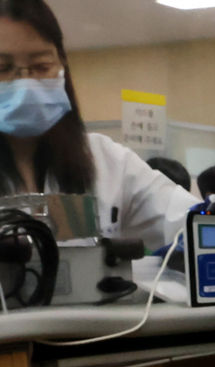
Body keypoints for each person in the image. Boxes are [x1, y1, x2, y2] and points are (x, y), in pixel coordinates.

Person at [0, 0, 198, 251]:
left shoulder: (105, 160)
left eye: (41, 66)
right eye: (3, 68)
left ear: (62, 67)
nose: (25, 84)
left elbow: (188, 220)